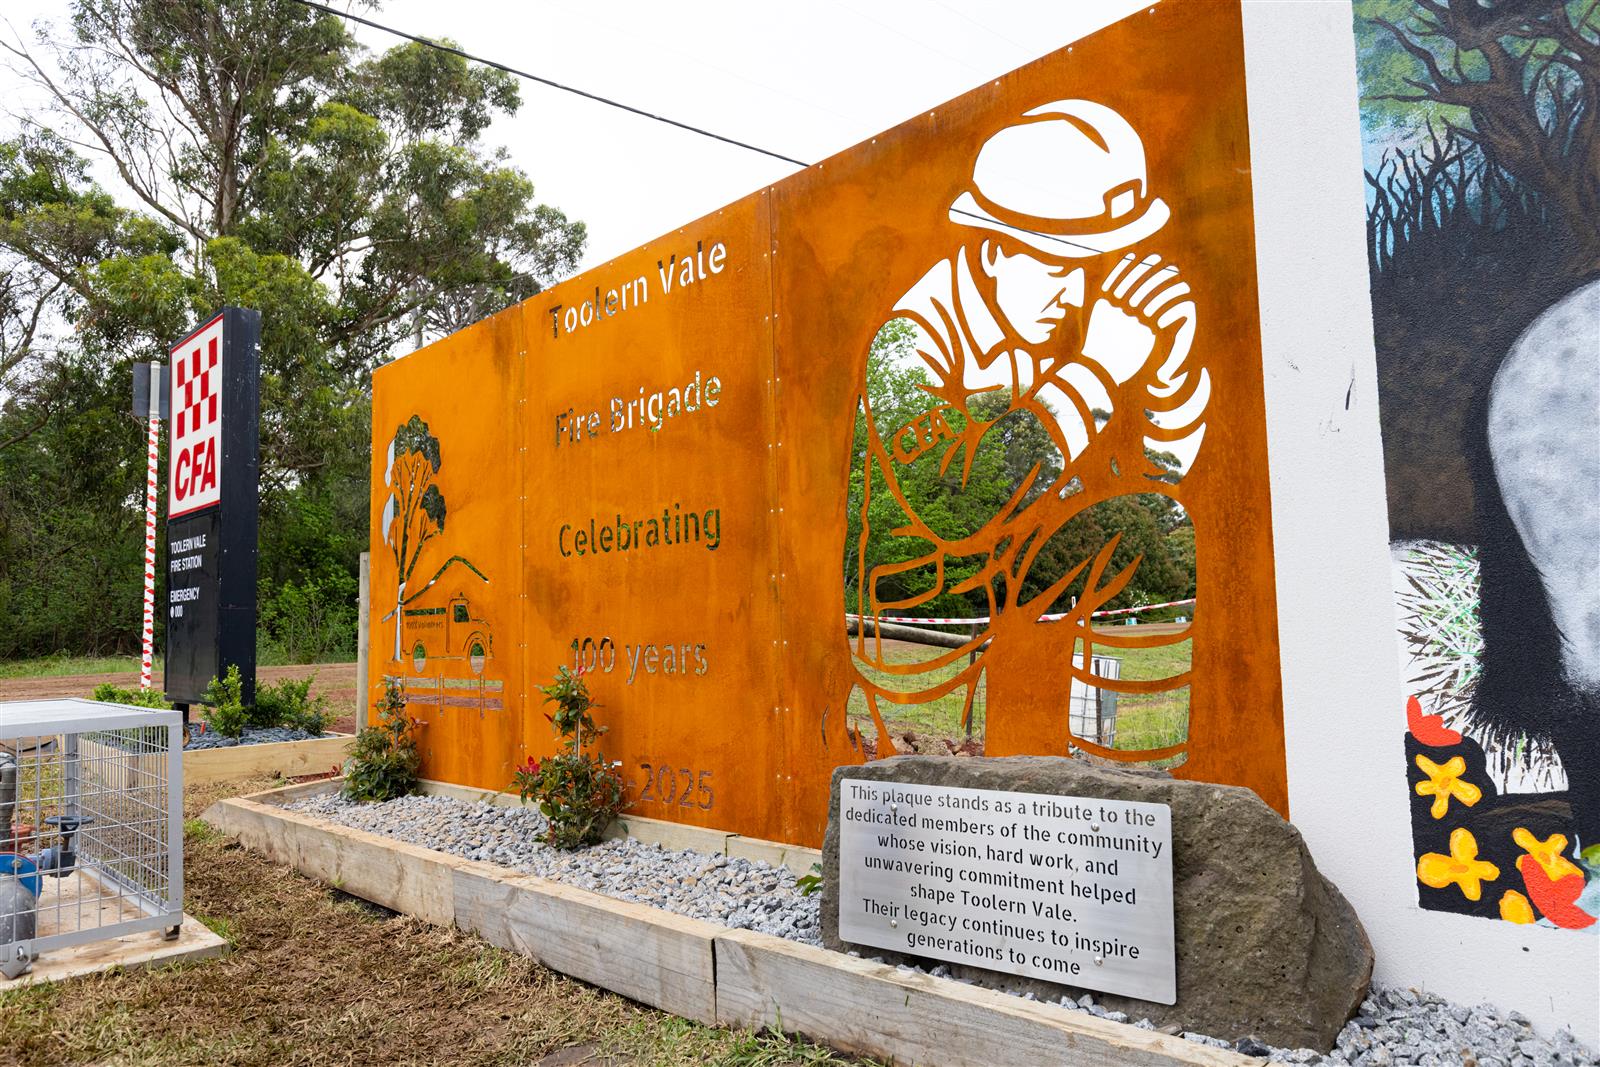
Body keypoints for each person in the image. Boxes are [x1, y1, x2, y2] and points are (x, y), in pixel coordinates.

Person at [846, 99, 1206, 748]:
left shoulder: (1031, 324)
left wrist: (1168, 373)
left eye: (1086, 271)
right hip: (921, 646)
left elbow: (1139, 480)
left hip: (1019, 611)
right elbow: (964, 504)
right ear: (990, 252)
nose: (1075, 295)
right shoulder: (911, 339)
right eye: (1059, 266)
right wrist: (1098, 368)